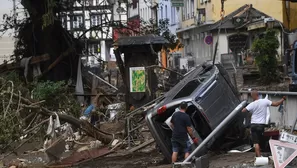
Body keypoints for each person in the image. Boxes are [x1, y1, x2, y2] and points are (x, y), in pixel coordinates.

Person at [242, 89, 286, 157]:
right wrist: (283, 99)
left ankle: (258, 157)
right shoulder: (265, 101)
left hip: (253, 125)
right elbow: (276, 104)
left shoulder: (252, 104)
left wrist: (249, 111)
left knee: (256, 143)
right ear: (258, 95)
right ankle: (263, 154)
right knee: (260, 141)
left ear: (252, 96)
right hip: (261, 125)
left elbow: (243, 110)